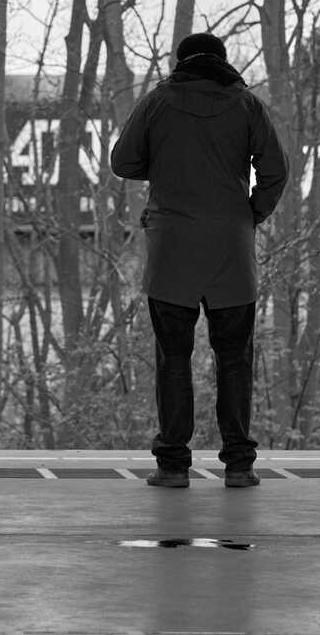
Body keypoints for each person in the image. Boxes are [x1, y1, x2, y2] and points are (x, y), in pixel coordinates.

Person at [109, 33, 288, 489]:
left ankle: (172, 465)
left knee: (173, 358)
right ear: (222, 63)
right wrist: (252, 213)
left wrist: (166, 162)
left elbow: (123, 161)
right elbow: (275, 170)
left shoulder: (156, 103)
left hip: (172, 250)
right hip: (231, 248)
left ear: (180, 62)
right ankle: (239, 465)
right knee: (234, 360)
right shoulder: (247, 106)